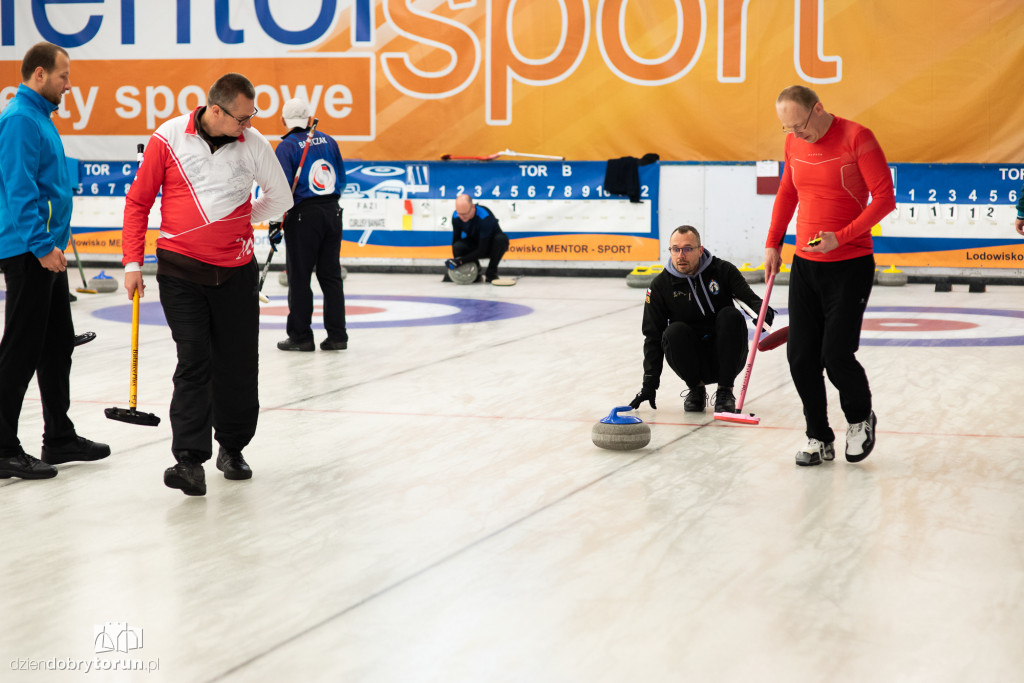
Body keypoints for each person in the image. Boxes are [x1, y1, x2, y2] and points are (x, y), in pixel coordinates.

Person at [121, 73, 292, 496]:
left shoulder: (254, 145)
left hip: (236, 274)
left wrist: (242, 217)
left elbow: (281, 197)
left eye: (252, 116)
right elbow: (139, 202)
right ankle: (188, 461)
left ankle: (232, 448)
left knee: (236, 365)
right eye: (241, 118)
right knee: (194, 359)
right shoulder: (169, 137)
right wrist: (130, 262)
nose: (248, 125)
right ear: (215, 111)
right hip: (181, 273)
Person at [765, 85, 895, 467]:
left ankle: (860, 420)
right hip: (805, 266)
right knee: (801, 356)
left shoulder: (858, 138)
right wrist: (773, 242)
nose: (795, 134)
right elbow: (787, 192)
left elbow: (884, 198)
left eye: (799, 125)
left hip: (850, 264)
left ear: (817, 109)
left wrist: (841, 237)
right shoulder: (794, 144)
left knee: (835, 354)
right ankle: (818, 436)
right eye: (786, 128)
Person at [0, 42, 110, 480]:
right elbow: (19, 189)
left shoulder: (40, 119)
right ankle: (3, 445)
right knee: (21, 349)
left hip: (47, 253)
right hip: (30, 252)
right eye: (64, 76)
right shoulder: (20, 121)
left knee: (56, 346)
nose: (69, 83)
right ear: (40, 74)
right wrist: (42, 245)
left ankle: (59, 436)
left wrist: (52, 247)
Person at [628, 225, 773, 414]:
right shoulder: (660, 286)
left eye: (687, 249)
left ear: (700, 250)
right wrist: (649, 384)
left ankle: (725, 391)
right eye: (675, 249)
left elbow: (753, 302)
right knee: (673, 331)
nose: (681, 255)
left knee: (730, 315)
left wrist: (763, 315)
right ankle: (696, 389)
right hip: (692, 360)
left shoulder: (723, 270)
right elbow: (652, 337)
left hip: (727, 356)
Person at [272, 98, 348, 352]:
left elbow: (279, 190)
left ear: (283, 121)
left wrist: (274, 223)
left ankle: (301, 336)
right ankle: (338, 336)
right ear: (308, 118)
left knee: (300, 278)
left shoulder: (286, 147)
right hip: (332, 212)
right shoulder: (330, 140)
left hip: (303, 217)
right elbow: (343, 180)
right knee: (331, 277)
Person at [444, 194, 509, 283]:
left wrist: (461, 261)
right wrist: (455, 263)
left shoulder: (484, 217)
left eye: (465, 214)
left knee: (501, 240)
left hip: (491, 246)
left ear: (473, 208)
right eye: (460, 214)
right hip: (474, 243)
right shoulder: (456, 216)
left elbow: (482, 249)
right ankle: (476, 273)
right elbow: (455, 240)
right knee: (457, 246)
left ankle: (491, 273)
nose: (462, 217)